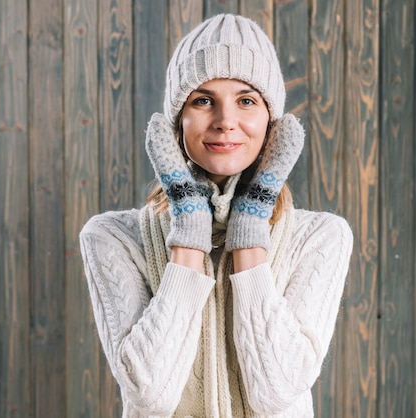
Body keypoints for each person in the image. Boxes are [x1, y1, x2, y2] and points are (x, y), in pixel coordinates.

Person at [80, 13, 353, 418]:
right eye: (203, 100)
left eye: (246, 100)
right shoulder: (112, 237)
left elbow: (276, 393)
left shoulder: (322, 236)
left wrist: (250, 232)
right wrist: (189, 232)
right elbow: (150, 395)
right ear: (178, 122)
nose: (226, 121)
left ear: (271, 123)